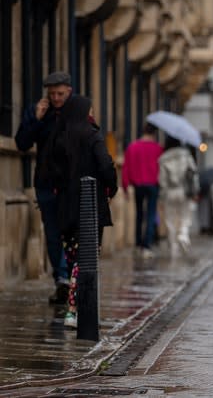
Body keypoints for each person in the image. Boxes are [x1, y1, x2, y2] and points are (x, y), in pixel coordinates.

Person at [40, 95, 118, 328]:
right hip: (90, 205)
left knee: (74, 256)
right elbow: (105, 164)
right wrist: (110, 188)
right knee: (86, 259)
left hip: (64, 207)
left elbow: (49, 170)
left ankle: (77, 309)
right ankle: (73, 310)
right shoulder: (92, 134)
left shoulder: (58, 136)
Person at [14, 71, 73, 304]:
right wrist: (36, 120)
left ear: (69, 90)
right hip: (46, 183)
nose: (56, 98)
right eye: (52, 94)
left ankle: (69, 277)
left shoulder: (77, 112)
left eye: (60, 94)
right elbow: (21, 143)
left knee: (70, 232)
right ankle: (61, 279)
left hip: (69, 184)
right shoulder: (39, 111)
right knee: (52, 233)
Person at [121, 123, 164, 257]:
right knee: (151, 214)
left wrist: (125, 186)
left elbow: (126, 167)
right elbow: (161, 169)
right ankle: (147, 245)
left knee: (139, 214)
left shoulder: (132, 147)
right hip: (152, 185)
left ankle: (138, 243)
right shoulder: (158, 149)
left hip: (138, 185)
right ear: (154, 134)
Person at [158, 136, 199, 258]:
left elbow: (162, 180)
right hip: (184, 190)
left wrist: (162, 196)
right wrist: (195, 191)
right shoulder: (186, 155)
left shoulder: (163, 159)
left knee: (170, 219)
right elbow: (194, 174)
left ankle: (173, 247)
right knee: (185, 216)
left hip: (170, 191)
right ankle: (183, 234)